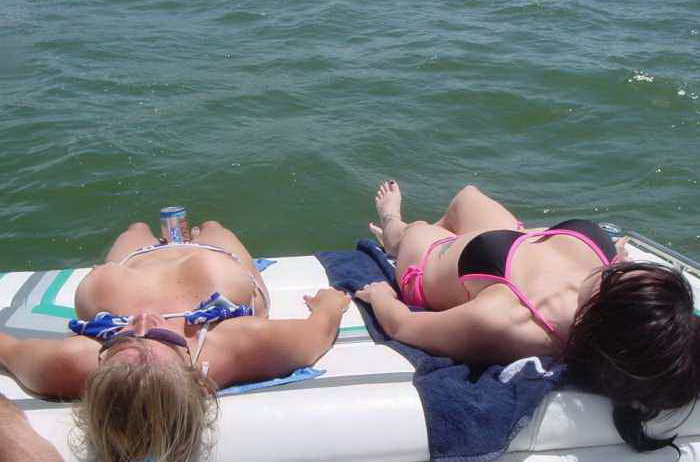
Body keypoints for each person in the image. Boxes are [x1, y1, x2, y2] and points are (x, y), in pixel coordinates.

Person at [357, 181, 699, 453]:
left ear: (604, 319)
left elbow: (402, 325)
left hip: (433, 262)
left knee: (413, 232)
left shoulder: (512, 321)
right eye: (629, 271)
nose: (620, 267)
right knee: (467, 196)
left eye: (618, 277)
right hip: (514, 244)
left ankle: (392, 229)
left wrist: (380, 296)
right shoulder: (606, 275)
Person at [0, 220, 350, 462]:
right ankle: (196, 233)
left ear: (99, 367)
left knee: (136, 228)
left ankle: (158, 235)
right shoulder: (238, 344)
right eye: (159, 336)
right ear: (194, 374)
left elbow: (7, 348)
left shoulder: (70, 362)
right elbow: (316, 335)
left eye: (120, 340)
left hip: (135, 261)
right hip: (212, 254)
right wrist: (330, 305)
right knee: (213, 225)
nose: (142, 319)